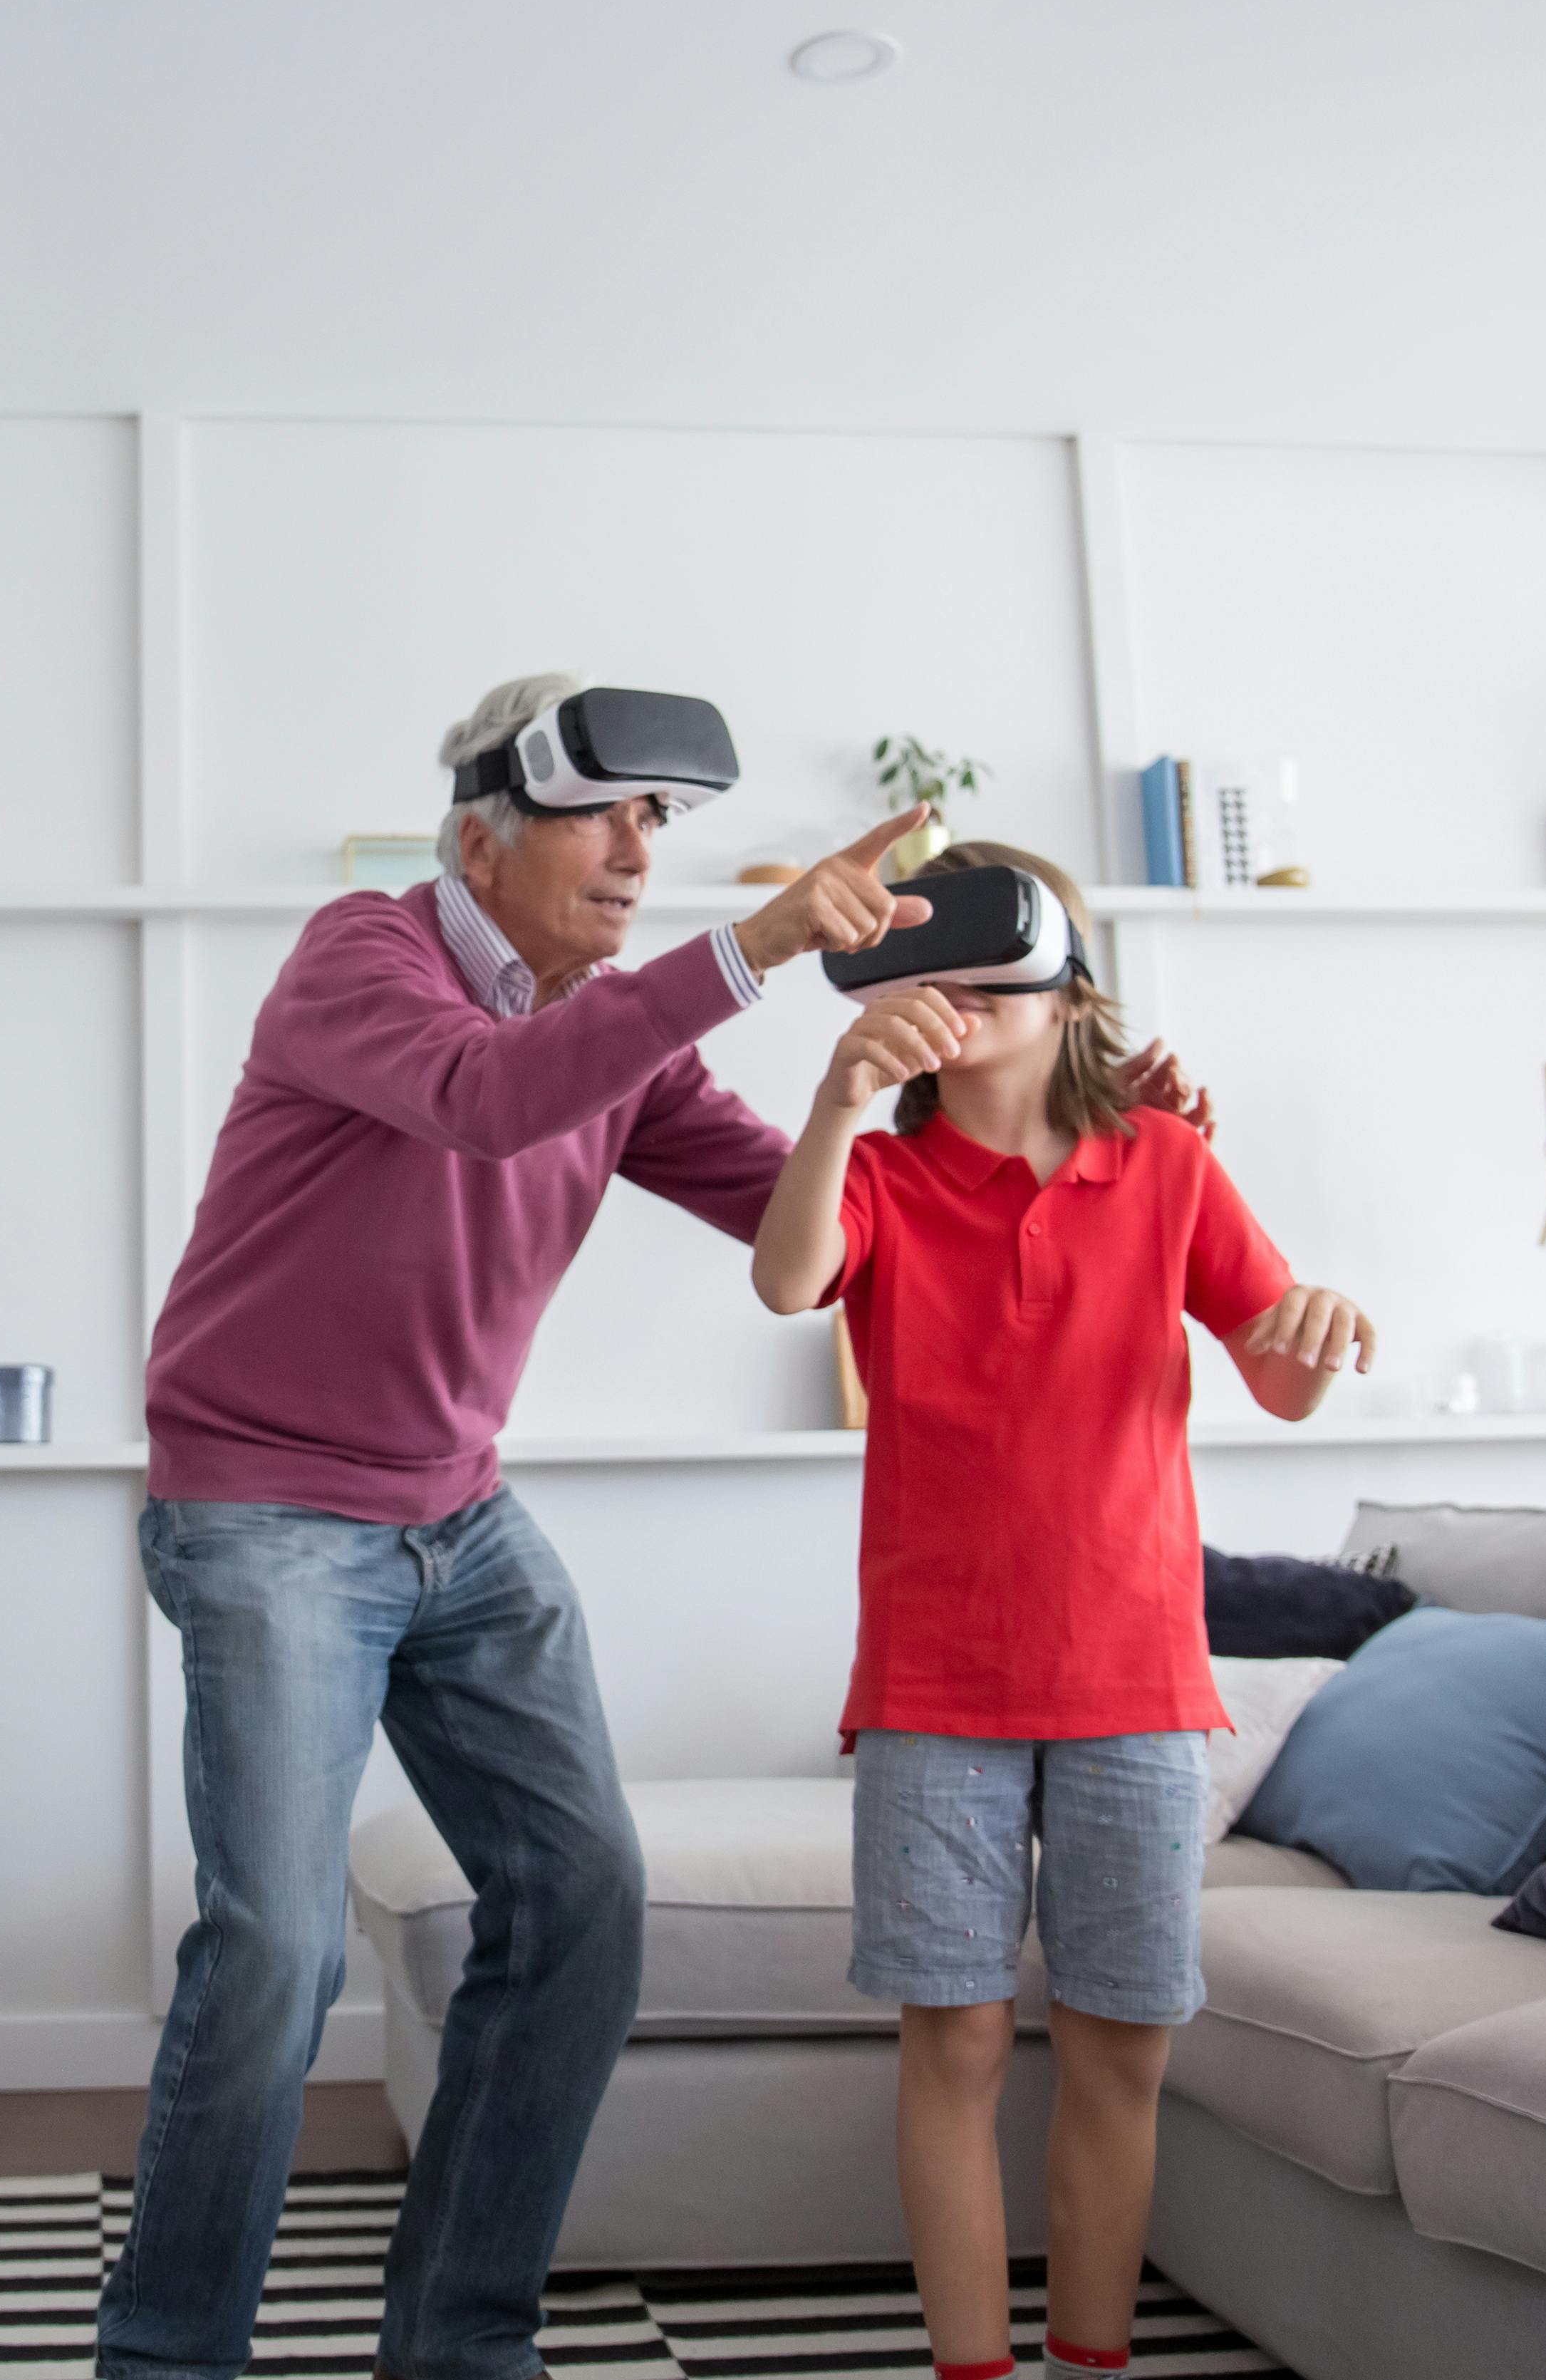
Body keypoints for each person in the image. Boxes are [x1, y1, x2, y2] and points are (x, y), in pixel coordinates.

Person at [105, 679, 1210, 2380]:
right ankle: (167, 2363)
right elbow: (487, 1094)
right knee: (276, 1943)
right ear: (483, 826)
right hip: (264, 1504)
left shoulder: (621, 1037)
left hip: (455, 1515)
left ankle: (460, 2349)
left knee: (584, 1899)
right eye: (604, 815)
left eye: (660, 826)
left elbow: (821, 1221)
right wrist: (755, 950)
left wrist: (1073, 1118)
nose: (640, 854)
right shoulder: (362, 957)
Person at [747, 840, 1370, 2380]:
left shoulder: (1164, 1163)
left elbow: (1279, 1375)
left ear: (1065, 985)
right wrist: (833, 1098)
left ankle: (1090, 2362)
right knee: (951, 2041)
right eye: (919, 964)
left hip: (1140, 1684)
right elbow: (784, 1277)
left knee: (1120, 2048)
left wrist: (1322, 1323)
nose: (949, 990)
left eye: (982, 959)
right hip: (933, 1683)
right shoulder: (883, 1175)